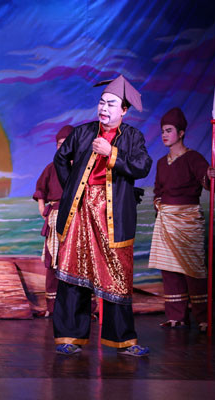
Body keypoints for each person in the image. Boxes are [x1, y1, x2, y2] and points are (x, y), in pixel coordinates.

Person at [52, 75, 152, 356]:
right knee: (74, 270)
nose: (104, 108)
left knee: (117, 273)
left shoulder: (132, 137)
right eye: (101, 102)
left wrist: (112, 153)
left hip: (113, 214)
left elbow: (142, 166)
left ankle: (123, 340)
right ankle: (70, 337)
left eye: (111, 104)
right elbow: (61, 159)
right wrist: (72, 188)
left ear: (124, 110)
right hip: (81, 210)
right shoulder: (82, 132)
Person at [148, 107, 215, 333]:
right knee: (169, 269)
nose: (164, 135)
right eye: (162, 131)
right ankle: (176, 317)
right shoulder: (161, 162)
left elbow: (208, 181)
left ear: (181, 133)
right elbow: (157, 191)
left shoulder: (193, 158)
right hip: (166, 219)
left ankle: (202, 317)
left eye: (169, 130)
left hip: (187, 219)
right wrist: (160, 205)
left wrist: (211, 176)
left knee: (193, 269)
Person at [33, 125, 73, 316]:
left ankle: (81, 308)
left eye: (66, 143)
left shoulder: (82, 168)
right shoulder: (51, 168)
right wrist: (42, 207)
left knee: (78, 263)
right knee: (53, 261)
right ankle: (53, 307)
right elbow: (40, 189)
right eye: (59, 144)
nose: (62, 147)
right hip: (56, 216)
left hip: (77, 217)